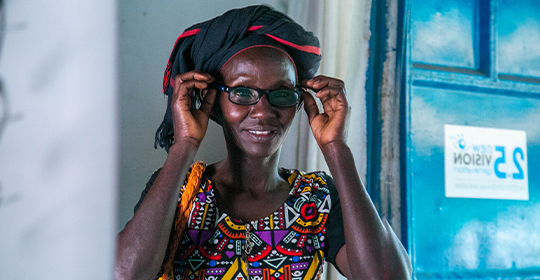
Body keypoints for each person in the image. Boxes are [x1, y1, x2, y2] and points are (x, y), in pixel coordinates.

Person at [115, 5, 412, 280]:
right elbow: (123, 274)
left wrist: (337, 148)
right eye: (242, 93)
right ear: (214, 102)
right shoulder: (179, 192)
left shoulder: (316, 200)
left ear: (298, 103)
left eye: (281, 94)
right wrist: (184, 145)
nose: (263, 111)